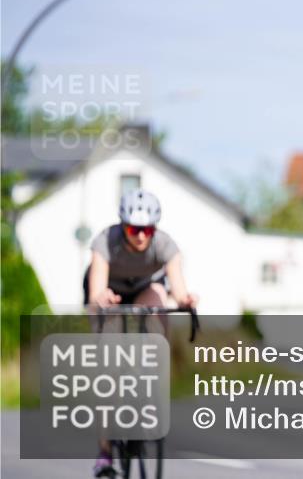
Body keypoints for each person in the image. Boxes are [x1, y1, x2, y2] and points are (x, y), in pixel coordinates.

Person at [85, 189, 198, 477]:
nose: (141, 236)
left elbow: (178, 287)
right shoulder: (104, 241)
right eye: (134, 229)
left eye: (147, 229)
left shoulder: (165, 245)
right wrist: (102, 298)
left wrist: (186, 301)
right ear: (123, 225)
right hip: (110, 292)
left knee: (158, 301)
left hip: (144, 288)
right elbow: (96, 290)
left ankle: (151, 373)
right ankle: (105, 453)